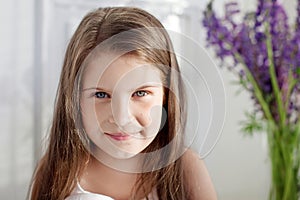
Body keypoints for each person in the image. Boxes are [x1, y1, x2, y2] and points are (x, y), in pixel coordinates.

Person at [29, 7, 217, 200]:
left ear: (166, 95)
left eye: (140, 93)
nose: (121, 118)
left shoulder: (186, 169)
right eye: (101, 95)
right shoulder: (56, 171)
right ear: (75, 99)